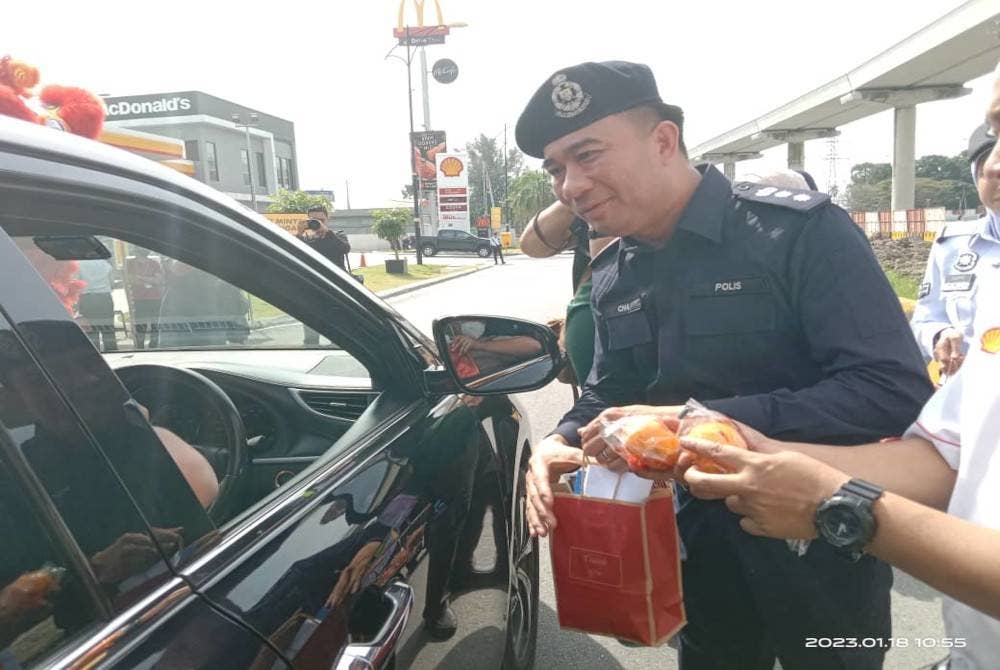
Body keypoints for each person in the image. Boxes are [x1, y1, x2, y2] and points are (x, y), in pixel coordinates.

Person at [517, 60, 933, 669]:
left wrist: (706, 422)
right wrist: (560, 439)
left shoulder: (797, 233)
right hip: (695, 549)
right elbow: (611, 393)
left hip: (819, 535)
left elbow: (890, 390)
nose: (569, 186)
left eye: (588, 155)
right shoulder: (611, 275)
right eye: (556, 168)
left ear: (664, 140)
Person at [910, 122, 1000, 379]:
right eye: (987, 171)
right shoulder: (952, 245)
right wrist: (940, 335)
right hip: (966, 403)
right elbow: (925, 320)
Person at [520, 201, 614, 386]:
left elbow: (609, 259)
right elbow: (531, 245)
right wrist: (573, 199)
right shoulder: (583, 203)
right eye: (558, 173)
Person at [124, 246, 164, 349]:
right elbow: (131, 279)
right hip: (140, 297)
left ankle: (153, 345)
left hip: (153, 297)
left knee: (154, 323)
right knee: (141, 324)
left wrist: (141, 278)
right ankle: (140, 345)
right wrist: (150, 279)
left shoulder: (154, 263)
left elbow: (158, 280)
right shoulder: (131, 263)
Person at [76, 257, 118, 352]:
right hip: (104, 298)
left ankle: (94, 352)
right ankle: (112, 350)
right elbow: (112, 283)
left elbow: (76, 282)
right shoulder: (106, 264)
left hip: (87, 299)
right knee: (108, 328)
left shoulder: (80, 264)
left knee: (90, 328)